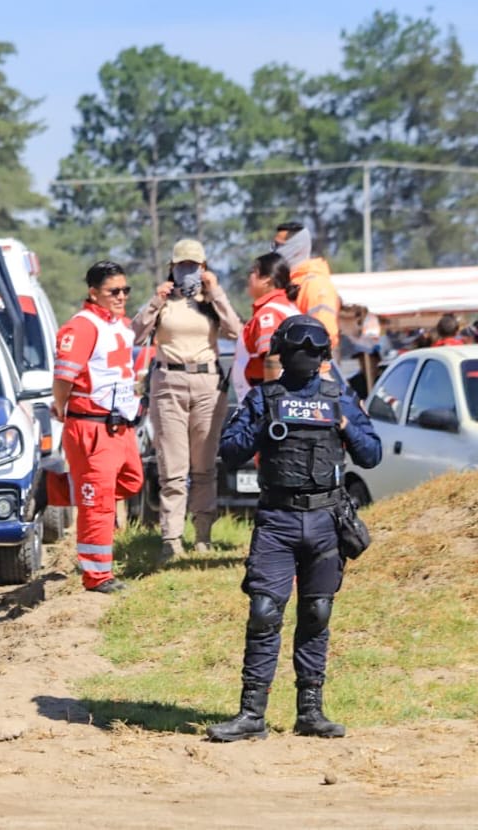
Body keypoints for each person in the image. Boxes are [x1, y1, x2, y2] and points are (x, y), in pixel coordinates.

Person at [209, 315, 381, 743]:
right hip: (278, 520)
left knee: (317, 612)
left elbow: (372, 453)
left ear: (322, 356)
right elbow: (228, 451)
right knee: (265, 612)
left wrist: (342, 424)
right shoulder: (264, 398)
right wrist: (264, 427)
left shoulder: (339, 397)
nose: (304, 356)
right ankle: (252, 714)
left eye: (312, 350)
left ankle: (311, 712)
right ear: (281, 354)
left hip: (326, 520)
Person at [132, 239, 242, 560]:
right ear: (172, 267)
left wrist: (216, 292)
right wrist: (156, 299)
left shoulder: (210, 303)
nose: (188, 272)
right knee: (173, 467)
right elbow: (136, 334)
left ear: (205, 268)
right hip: (169, 382)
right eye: (182, 266)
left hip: (208, 382)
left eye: (194, 266)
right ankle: (172, 538)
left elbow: (237, 331)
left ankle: (203, 536)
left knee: (205, 466)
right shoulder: (164, 302)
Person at [52, 261, 145, 593]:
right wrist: (61, 406)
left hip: (121, 427)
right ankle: (97, 576)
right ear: (94, 293)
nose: (122, 296)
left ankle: (54, 489)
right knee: (99, 501)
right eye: (113, 291)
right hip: (92, 426)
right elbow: (64, 376)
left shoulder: (118, 325)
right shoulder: (82, 326)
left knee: (132, 481)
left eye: (125, 290)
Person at [231, 253, 300, 401]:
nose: (249, 278)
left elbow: (273, 359)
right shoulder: (288, 308)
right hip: (289, 398)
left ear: (266, 280)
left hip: (266, 401)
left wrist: (272, 404)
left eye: (253, 272)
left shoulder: (269, 314)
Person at [273, 222, 340, 349]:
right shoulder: (287, 282)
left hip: (309, 365)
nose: (274, 251)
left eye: (278, 245)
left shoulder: (315, 286)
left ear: (297, 248)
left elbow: (324, 335)